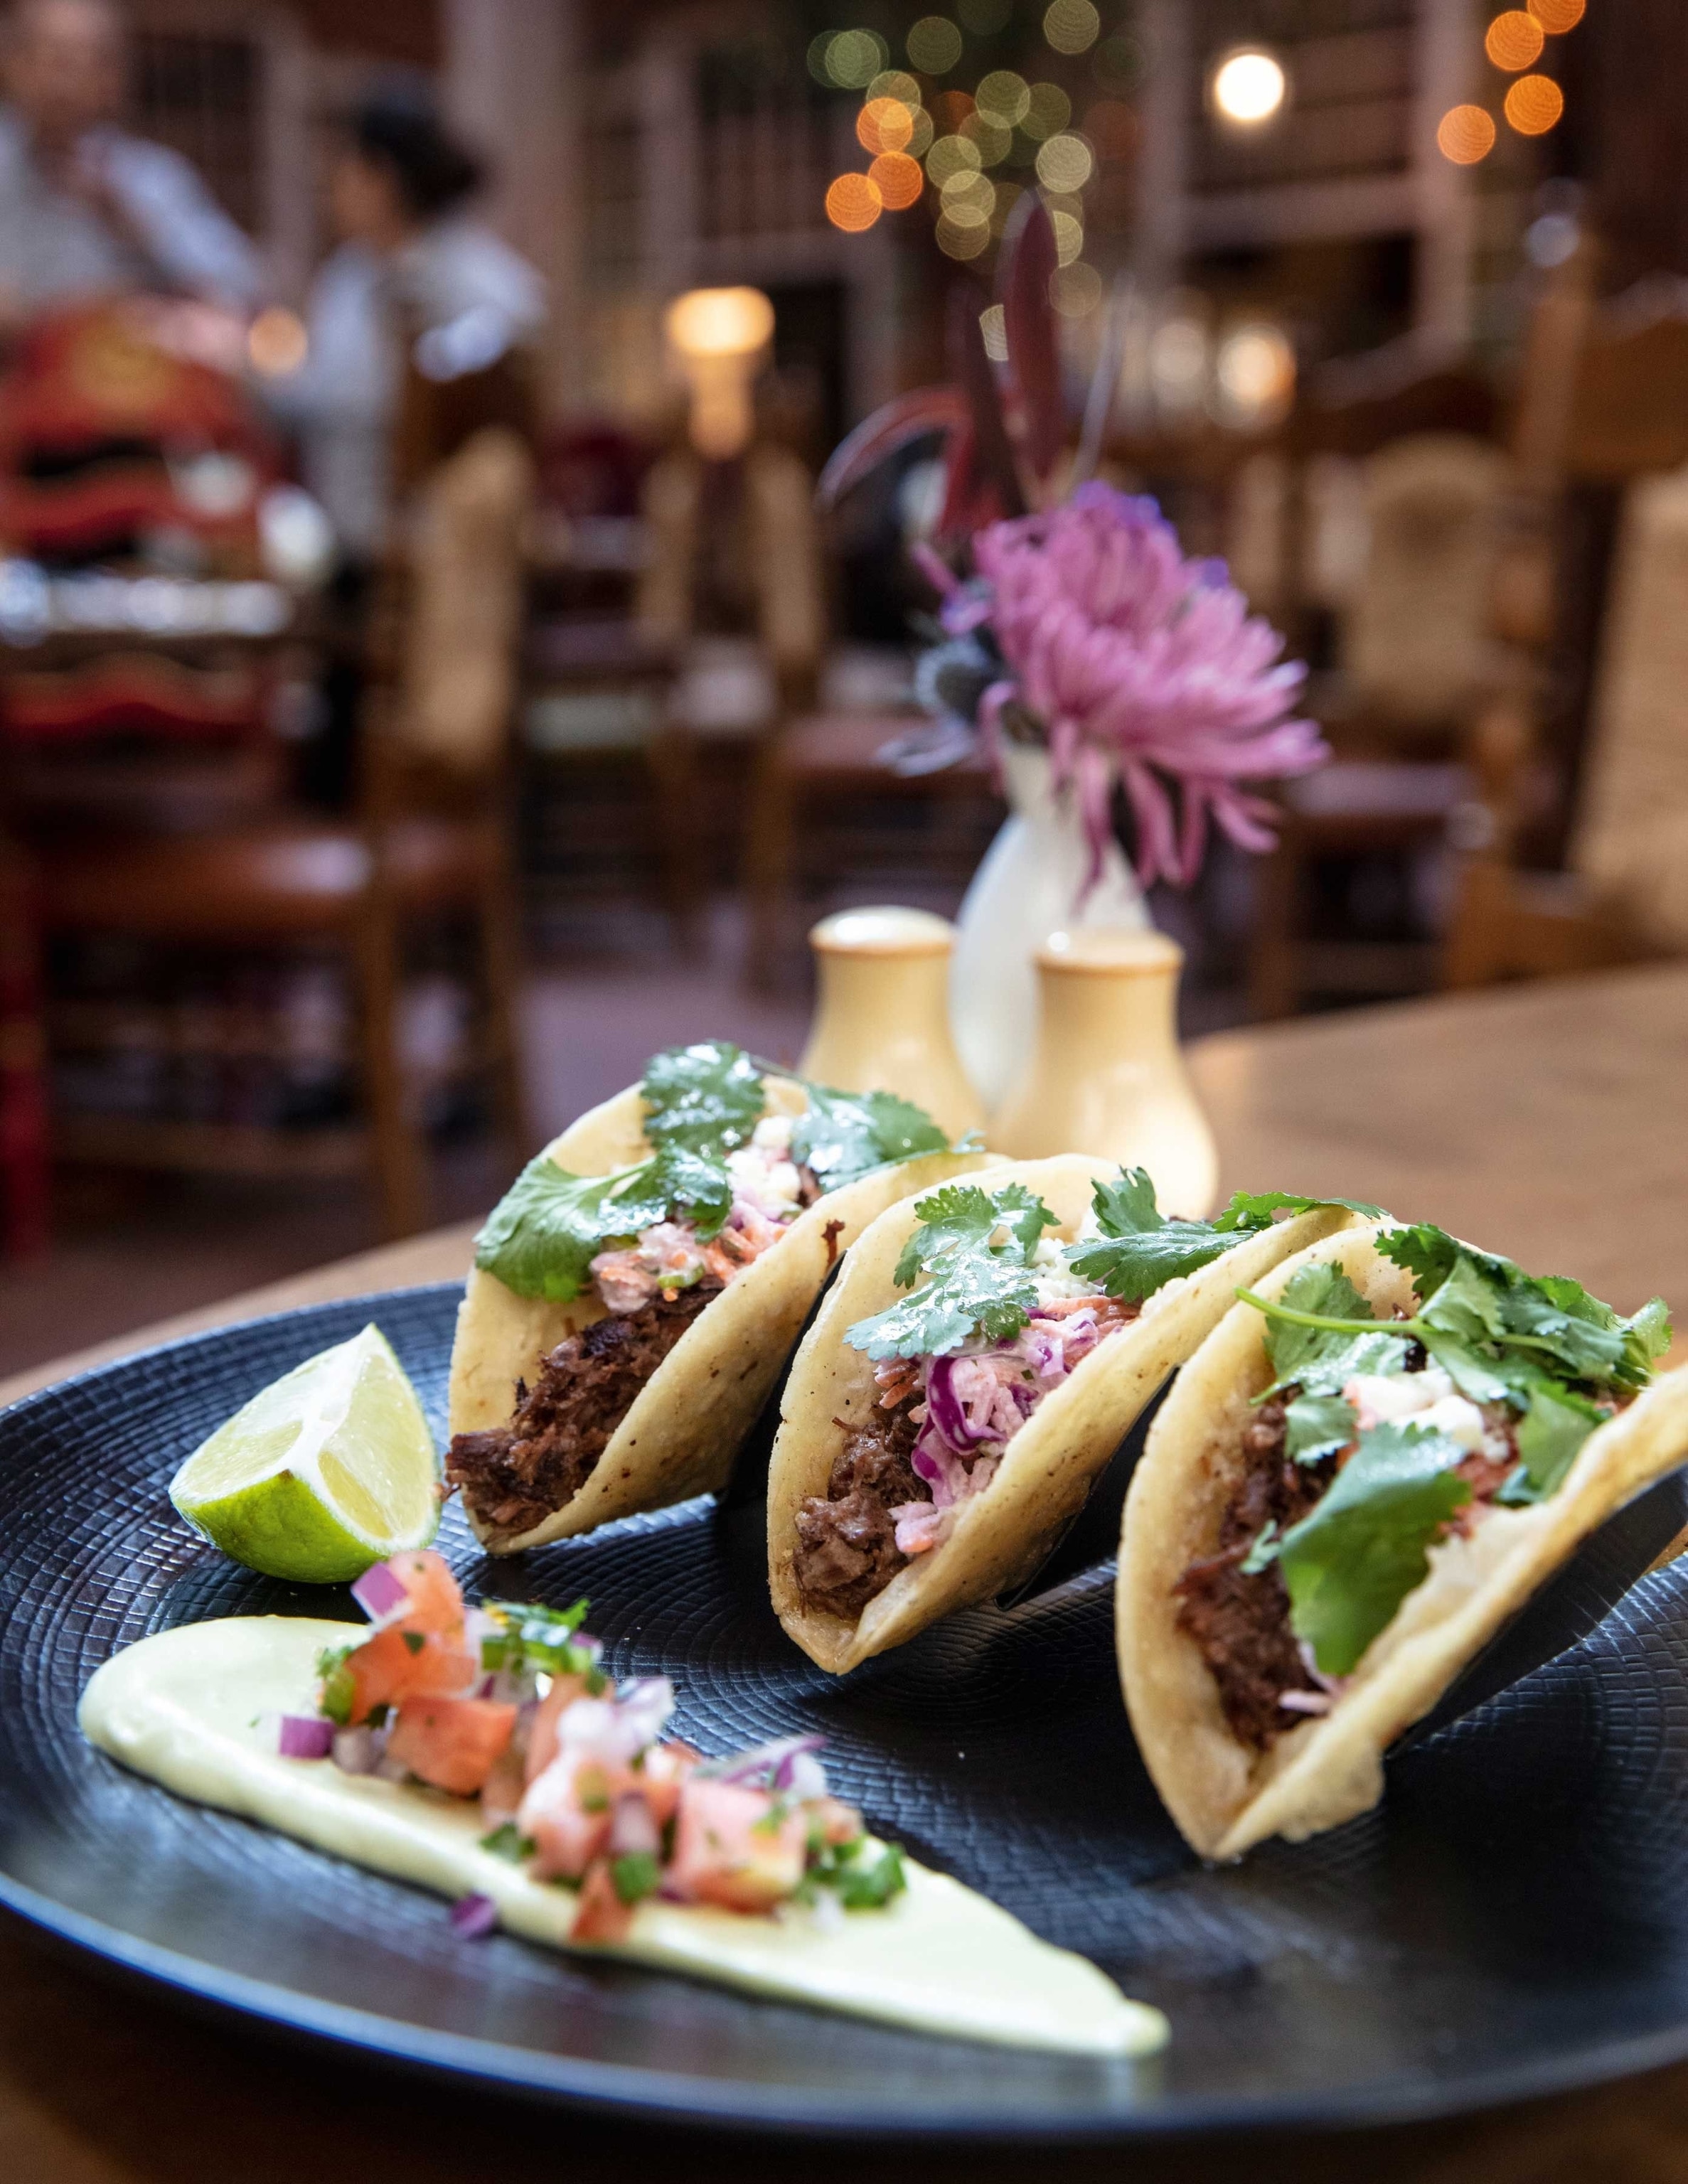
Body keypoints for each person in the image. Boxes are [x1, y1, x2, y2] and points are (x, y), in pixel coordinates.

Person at [264, 89, 547, 567]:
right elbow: (318, 395)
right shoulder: (348, 275)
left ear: (382, 179)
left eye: (344, 172)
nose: (331, 190)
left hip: (430, 552)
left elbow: (510, 348)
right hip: (341, 541)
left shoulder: (469, 271)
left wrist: (438, 361)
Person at [0, 0, 261, 326]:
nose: (62, 85)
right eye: (51, 59)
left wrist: (131, 223)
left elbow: (244, 286)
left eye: (82, 63)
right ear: (12, 64)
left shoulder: (148, 179)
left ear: (113, 78)